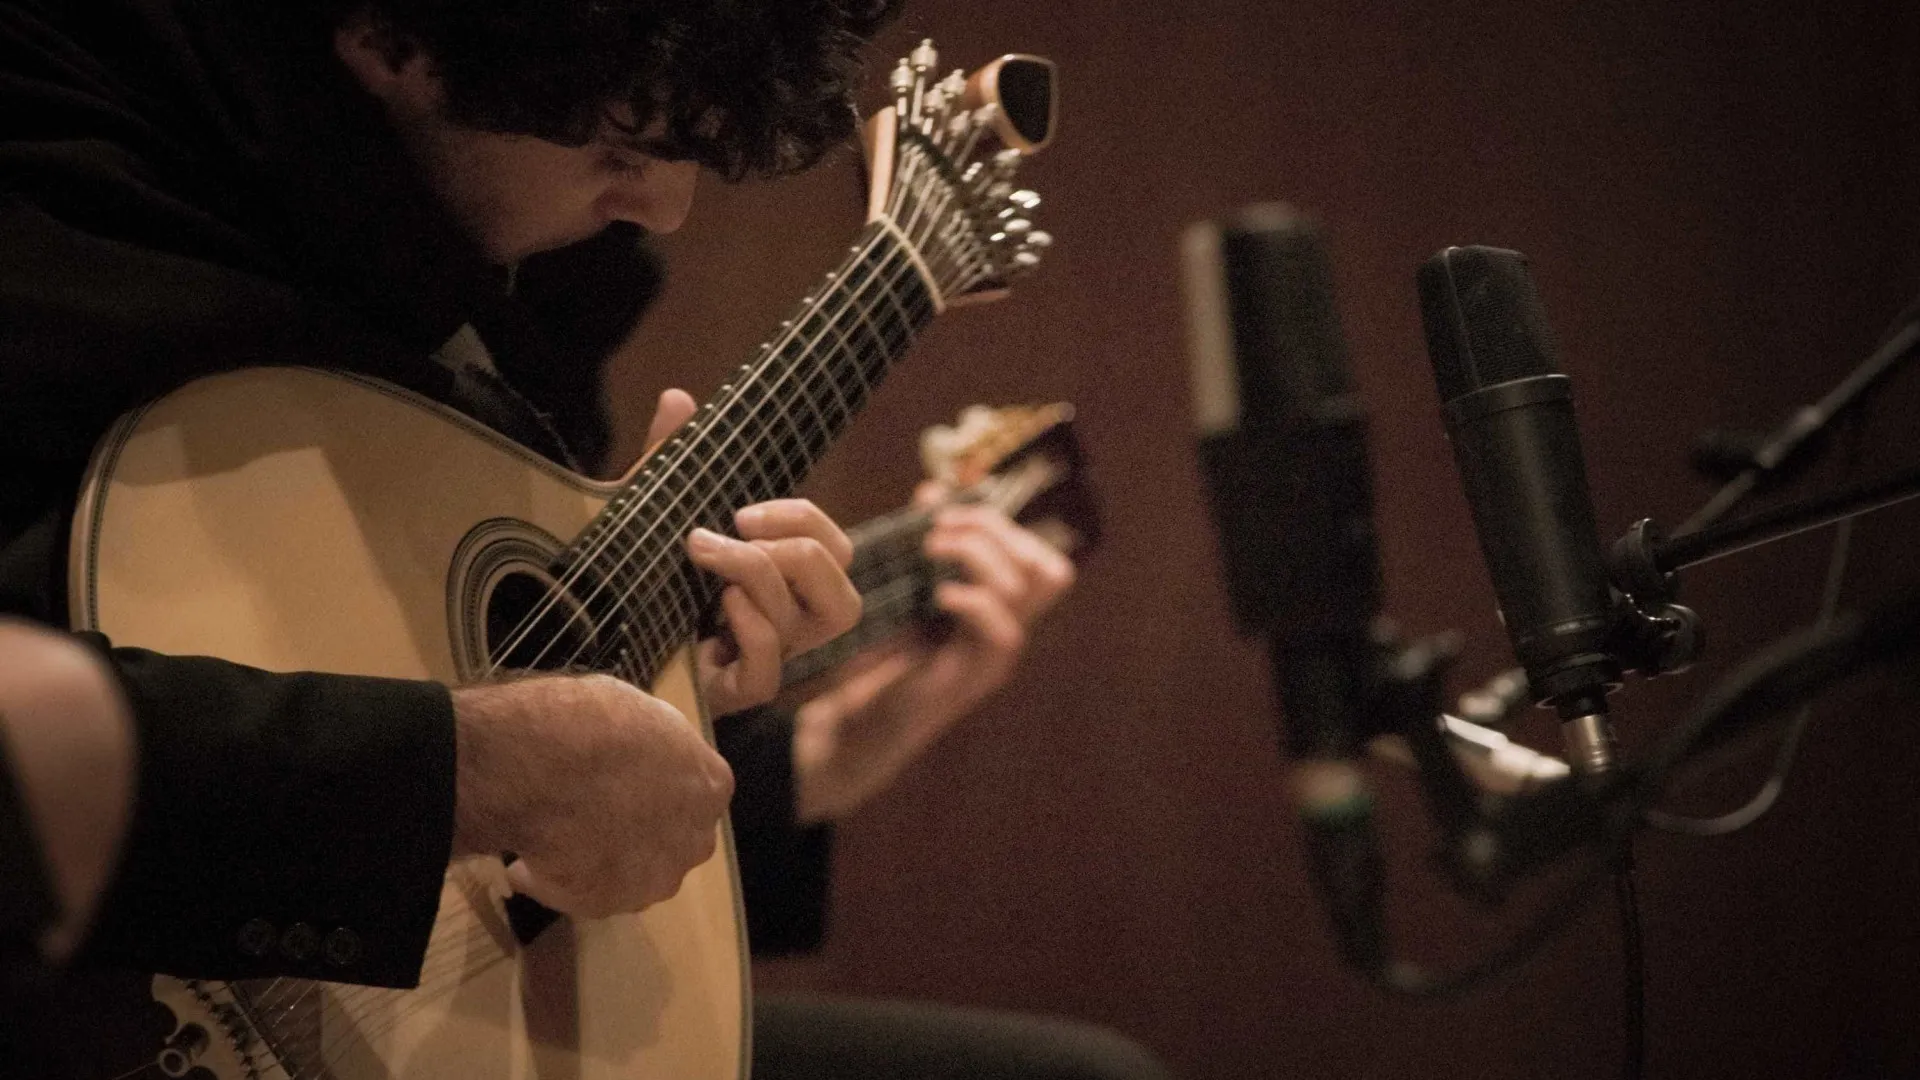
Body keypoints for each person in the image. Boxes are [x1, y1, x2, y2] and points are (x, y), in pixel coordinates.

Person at [0, 0, 1171, 1075]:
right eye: (622, 143)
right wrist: (457, 770)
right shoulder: (57, 181)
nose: (663, 205)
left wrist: (770, 757)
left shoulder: (528, 277)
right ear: (393, 37)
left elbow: (465, 764)